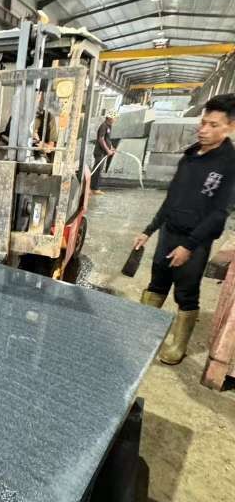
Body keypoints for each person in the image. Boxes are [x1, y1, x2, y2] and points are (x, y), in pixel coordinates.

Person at [134, 95, 235, 365]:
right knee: (156, 284)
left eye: (213, 125)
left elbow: (219, 213)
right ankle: (145, 335)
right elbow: (171, 199)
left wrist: (189, 246)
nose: (204, 130)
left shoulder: (229, 164)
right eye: (203, 123)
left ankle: (178, 345)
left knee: (186, 293)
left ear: (230, 127)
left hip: (195, 241)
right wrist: (149, 230)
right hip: (169, 232)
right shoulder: (190, 157)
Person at [91, 115, 116, 194]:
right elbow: (101, 139)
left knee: (99, 170)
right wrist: (108, 150)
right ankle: (94, 189)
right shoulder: (103, 126)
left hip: (103, 152)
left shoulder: (109, 126)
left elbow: (107, 139)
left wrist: (111, 147)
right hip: (100, 152)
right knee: (98, 170)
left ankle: (95, 188)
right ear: (110, 118)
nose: (115, 120)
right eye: (114, 118)